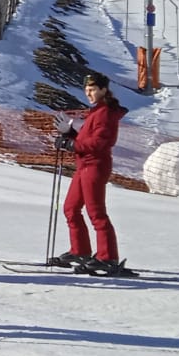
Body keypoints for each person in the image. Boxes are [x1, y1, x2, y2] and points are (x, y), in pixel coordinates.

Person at [54, 70, 130, 276]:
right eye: (87, 90)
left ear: (103, 90)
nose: (89, 93)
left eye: (93, 89)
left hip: (95, 165)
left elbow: (100, 142)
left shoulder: (105, 113)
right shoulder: (96, 111)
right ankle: (81, 251)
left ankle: (108, 257)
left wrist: (71, 144)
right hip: (84, 165)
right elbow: (87, 139)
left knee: (96, 213)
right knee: (71, 208)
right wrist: (69, 135)